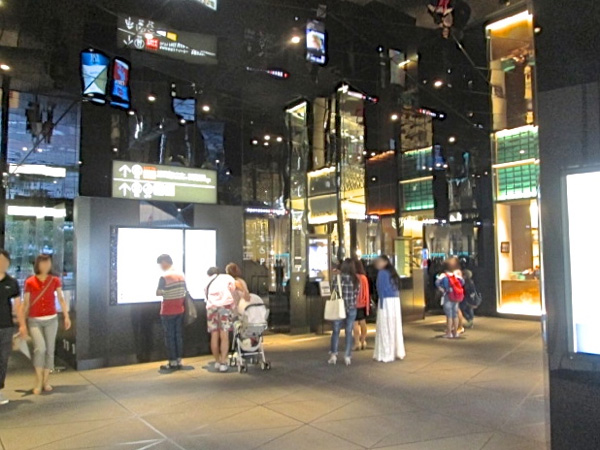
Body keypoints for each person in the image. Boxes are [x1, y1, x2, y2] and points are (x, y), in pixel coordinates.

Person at [23, 254, 71, 395]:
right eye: (43, 263)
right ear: (38, 265)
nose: (46, 266)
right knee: (40, 349)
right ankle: (38, 381)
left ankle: (46, 381)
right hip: (34, 320)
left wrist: (66, 316)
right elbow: (26, 303)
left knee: (50, 350)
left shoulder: (54, 280)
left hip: (51, 319)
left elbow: (61, 299)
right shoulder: (30, 282)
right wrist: (22, 322)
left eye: (48, 263)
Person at [0, 250, 24, 405]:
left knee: (3, 359)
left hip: (6, 327)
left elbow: (18, 306)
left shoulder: (12, 282)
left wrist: (22, 325)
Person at [156, 254, 186, 372]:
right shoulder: (181, 275)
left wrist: (166, 292)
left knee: (169, 337)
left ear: (164, 262)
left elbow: (158, 292)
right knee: (178, 335)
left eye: (160, 264)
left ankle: (172, 361)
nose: (160, 267)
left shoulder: (164, 277)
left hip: (168, 310)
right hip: (180, 309)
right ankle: (179, 360)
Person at [205, 267, 238, 372]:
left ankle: (217, 361)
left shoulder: (207, 281)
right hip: (225, 308)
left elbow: (206, 296)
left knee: (214, 335)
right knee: (224, 335)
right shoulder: (227, 277)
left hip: (211, 309)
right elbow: (233, 290)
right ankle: (223, 362)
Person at [373, 255, 406, 362]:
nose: (377, 264)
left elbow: (380, 289)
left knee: (385, 327)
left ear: (384, 262)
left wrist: (380, 304)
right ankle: (397, 351)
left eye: (379, 262)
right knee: (395, 326)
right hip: (395, 302)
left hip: (386, 302)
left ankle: (386, 353)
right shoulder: (392, 273)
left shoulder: (382, 273)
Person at [328, 259, 358, 366]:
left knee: (336, 331)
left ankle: (333, 355)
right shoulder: (356, 280)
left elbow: (333, 291)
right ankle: (347, 356)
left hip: (339, 308)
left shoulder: (337, 279)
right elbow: (356, 294)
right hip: (352, 307)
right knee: (349, 331)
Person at [436, 258, 465, 338]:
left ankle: (449, 332)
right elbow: (462, 282)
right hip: (456, 297)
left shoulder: (443, 275)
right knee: (455, 314)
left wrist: (443, 289)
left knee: (449, 315)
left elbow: (437, 283)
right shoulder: (456, 275)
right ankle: (455, 332)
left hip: (447, 296)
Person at [352, 258, 370, 351]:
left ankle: (357, 343)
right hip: (363, 303)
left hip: (354, 303)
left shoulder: (353, 278)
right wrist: (367, 305)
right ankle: (363, 341)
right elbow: (367, 292)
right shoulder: (364, 278)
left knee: (355, 323)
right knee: (363, 322)